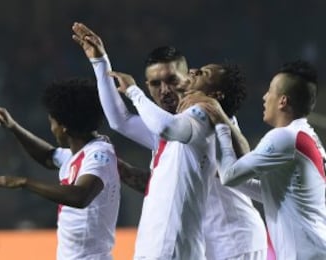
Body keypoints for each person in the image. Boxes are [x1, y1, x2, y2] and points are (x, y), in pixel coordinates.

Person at [72, 22, 266, 259]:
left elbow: (241, 153)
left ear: (187, 79)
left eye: (172, 81)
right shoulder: (172, 126)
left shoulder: (208, 115)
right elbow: (120, 121)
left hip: (233, 240)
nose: (164, 90)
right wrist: (100, 62)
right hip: (202, 242)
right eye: (155, 84)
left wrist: (134, 92)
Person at [0, 78, 120, 260]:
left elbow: (80, 196)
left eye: (52, 122)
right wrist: (14, 127)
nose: (52, 128)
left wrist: (25, 182)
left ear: (63, 127)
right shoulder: (79, 153)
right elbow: (48, 156)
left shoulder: (99, 156)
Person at [205, 60, 326, 259]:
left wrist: (221, 124)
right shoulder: (308, 137)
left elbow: (229, 176)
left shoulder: (284, 138)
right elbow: (271, 193)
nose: (264, 97)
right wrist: (217, 172)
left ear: (282, 101)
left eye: (270, 91)